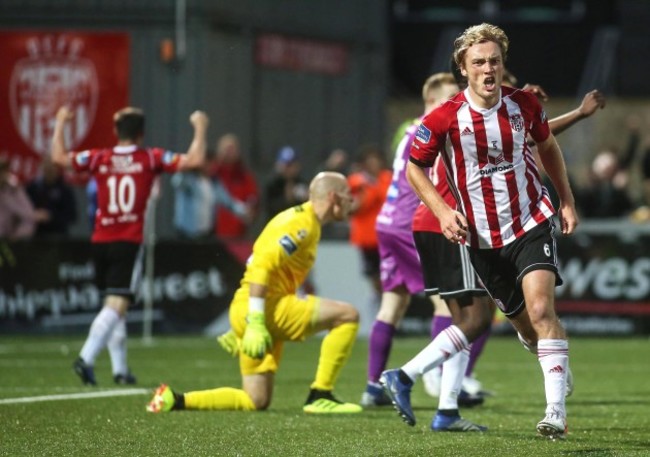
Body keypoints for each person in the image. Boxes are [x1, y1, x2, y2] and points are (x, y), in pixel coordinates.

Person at [382, 23, 579, 439]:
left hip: (531, 222)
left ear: (502, 64)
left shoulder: (524, 104)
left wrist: (566, 200)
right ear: (463, 68)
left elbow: (547, 147)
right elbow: (415, 167)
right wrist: (440, 211)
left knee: (542, 311)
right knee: (526, 328)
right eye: (479, 62)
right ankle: (553, 361)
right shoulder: (443, 118)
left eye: (495, 61)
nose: (488, 69)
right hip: (482, 241)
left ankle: (555, 413)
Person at [146, 172, 363, 414]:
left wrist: (243, 320)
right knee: (347, 315)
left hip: (249, 307)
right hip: (265, 308)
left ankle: (174, 399)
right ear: (333, 197)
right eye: (347, 195)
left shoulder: (305, 222)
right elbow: (261, 267)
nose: (351, 201)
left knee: (256, 400)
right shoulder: (300, 224)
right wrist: (256, 322)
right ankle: (320, 394)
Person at [50, 105, 209, 386]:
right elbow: (195, 160)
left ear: (116, 131)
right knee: (117, 305)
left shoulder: (100, 157)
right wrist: (200, 127)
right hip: (128, 240)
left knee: (113, 305)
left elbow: (58, 158)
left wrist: (61, 122)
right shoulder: (149, 158)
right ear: (141, 133)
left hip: (99, 240)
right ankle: (86, 357)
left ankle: (120, 370)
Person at [361, 73, 481, 414]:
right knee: (450, 304)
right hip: (408, 224)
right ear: (431, 101)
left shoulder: (408, 130)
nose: (456, 102)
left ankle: (372, 387)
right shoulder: (434, 128)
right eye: (450, 97)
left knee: (392, 305)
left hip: (386, 223)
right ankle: (437, 379)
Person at [347, 145, 392, 312]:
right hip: (367, 238)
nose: (373, 164)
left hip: (387, 236)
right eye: (369, 161)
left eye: (376, 160)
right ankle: (380, 309)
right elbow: (351, 207)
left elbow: (390, 198)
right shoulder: (356, 182)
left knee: (390, 277)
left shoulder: (387, 178)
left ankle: (389, 310)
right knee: (374, 278)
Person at [172, 151, 250, 240]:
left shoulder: (214, 183)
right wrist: (188, 164)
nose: (211, 167)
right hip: (185, 234)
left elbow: (229, 202)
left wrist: (244, 211)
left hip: (205, 235)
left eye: (213, 164)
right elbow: (176, 181)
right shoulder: (188, 179)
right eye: (209, 164)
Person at [210, 133, 259, 239]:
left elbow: (253, 201)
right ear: (218, 151)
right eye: (226, 149)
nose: (228, 152)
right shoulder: (211, 175)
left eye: (232, 149)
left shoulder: (245, 176)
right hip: (211, 235)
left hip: (238, 236)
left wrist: (250, 212)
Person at [26, 156, 78, 238]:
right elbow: (22, 211)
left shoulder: (64, 190)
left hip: (59, 235)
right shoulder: (32, 188)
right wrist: (35, 214)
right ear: (42, 168)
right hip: (35, 235)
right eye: (47, 167)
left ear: (57, 169)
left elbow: (72, 216)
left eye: (52, 167)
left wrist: (51, 216)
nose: (49, 170)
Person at [264, 146, 309, 222]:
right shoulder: (272, 184)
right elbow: (268, 209)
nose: (288, 169)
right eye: (286, 165)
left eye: (291, 165)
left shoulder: (302, 183)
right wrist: (287, 199)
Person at [0, 158, 37, 241]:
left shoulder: (15, 189)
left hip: (13, 239)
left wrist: (18, 235)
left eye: (3, 171)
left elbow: (29, 215)